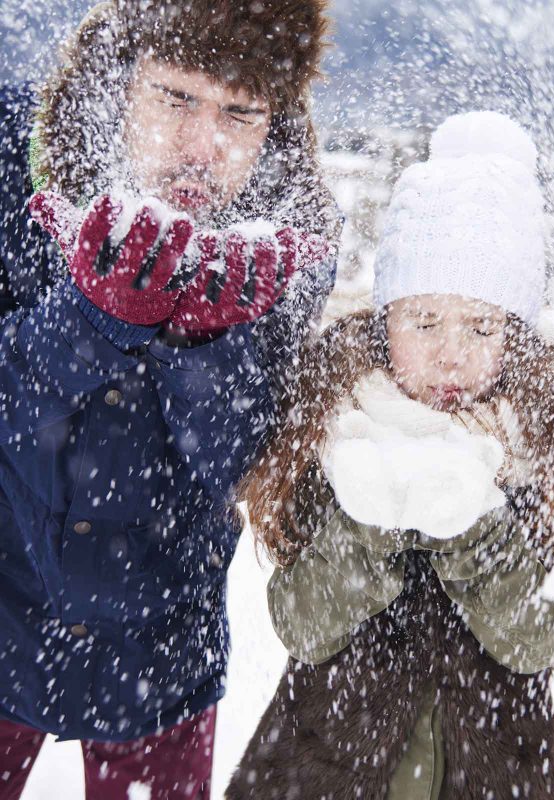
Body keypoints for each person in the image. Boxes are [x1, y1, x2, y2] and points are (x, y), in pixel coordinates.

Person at [0, 1, 339, 797]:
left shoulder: (290, 241)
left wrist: (204, 347)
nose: (203, 146)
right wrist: (90, 319)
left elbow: (240, 461)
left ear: (275, 122)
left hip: (158, 660)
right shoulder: (20, 171)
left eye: (240, 112)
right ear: (120, 83)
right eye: (176, 97)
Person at [226, 112, 554, 800]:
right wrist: (372, 516)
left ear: (515, 333)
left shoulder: (542, 449)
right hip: (324, 771)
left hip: (493, 777)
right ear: (385, 317)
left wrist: (472, 522)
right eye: (425, 321)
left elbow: (537, 639)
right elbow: (303, 624)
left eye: (481, 325)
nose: (451, 351)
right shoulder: (339, 429)